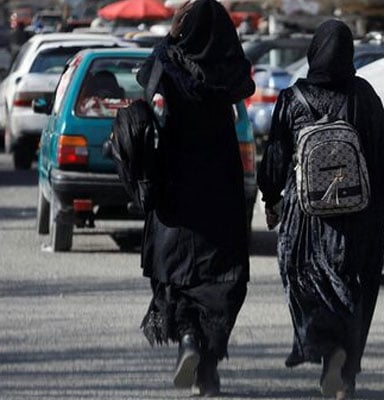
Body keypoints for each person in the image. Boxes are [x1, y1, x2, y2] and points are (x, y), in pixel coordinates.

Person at [258, 19, 384, 400]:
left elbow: (275, 159)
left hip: (307, 220)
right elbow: (381, 160)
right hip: (357, 217)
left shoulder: (292, 98)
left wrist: (271, 199)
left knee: (310, 287)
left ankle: (327, 353)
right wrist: (380, 207)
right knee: (354, 292)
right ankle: (346, 373)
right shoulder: (364, 96)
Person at [136, 0, 255, 396]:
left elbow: (144, 76)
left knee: (178, 271)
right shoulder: (229, 70)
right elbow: (246, 82)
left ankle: (189, 338)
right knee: (222, 275)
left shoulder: (172, 63)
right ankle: (207, 368)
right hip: (220, 180)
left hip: (177, 180)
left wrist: (169, 38)